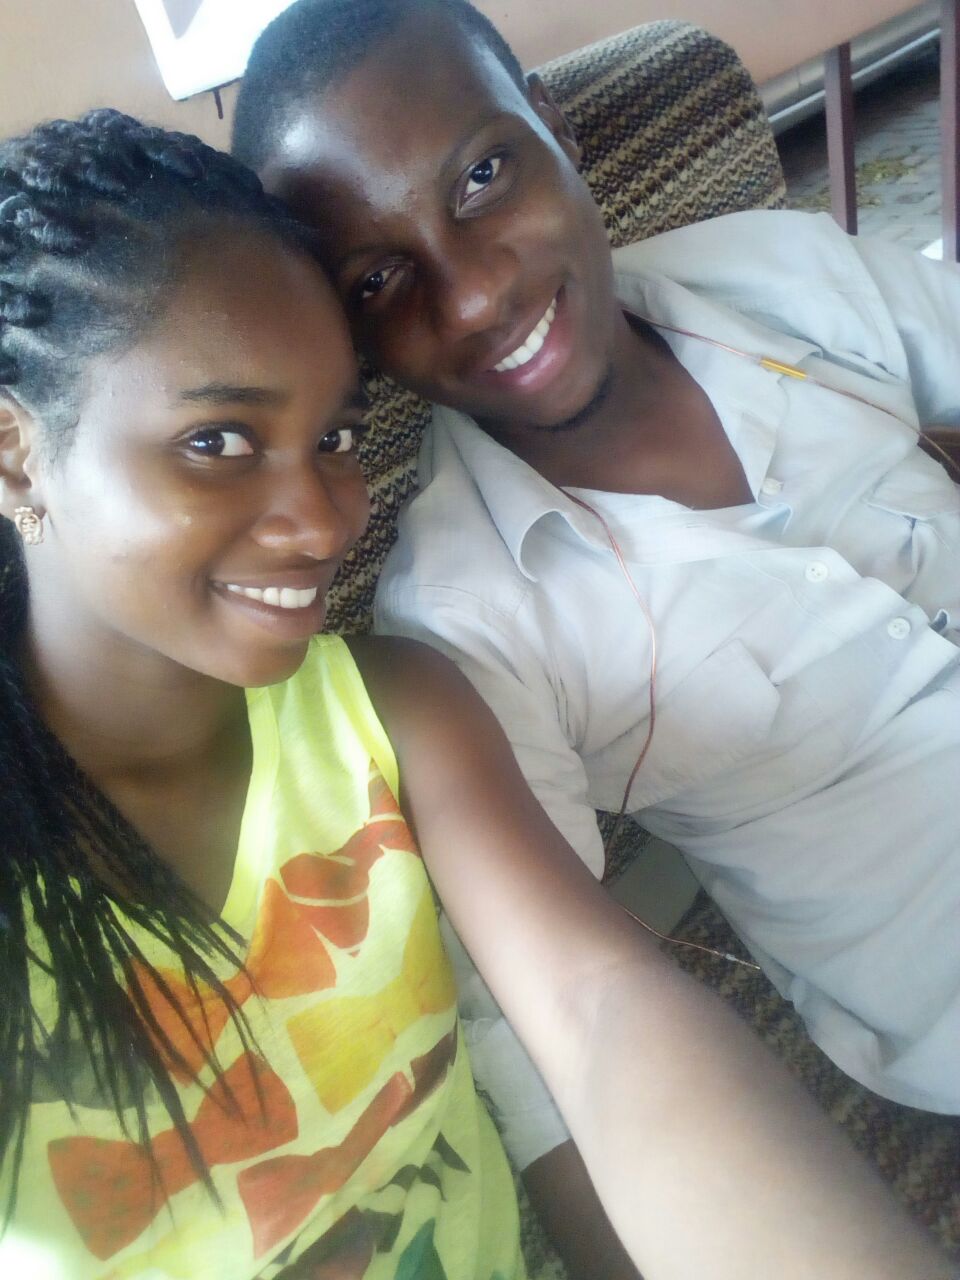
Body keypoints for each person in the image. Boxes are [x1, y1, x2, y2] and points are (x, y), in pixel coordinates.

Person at [2, 107, 950, 1280]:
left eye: (335, 436)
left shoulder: (393, 711)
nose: (320, 521)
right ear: (17, 452)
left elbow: (602, 1015)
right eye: (219, 442)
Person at [233, 0, 960, 1270]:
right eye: (380, 279)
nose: (474, 293)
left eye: (481, 175)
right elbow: (565, 1067)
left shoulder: (778, 275)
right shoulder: (467, 636)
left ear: (554, 128)